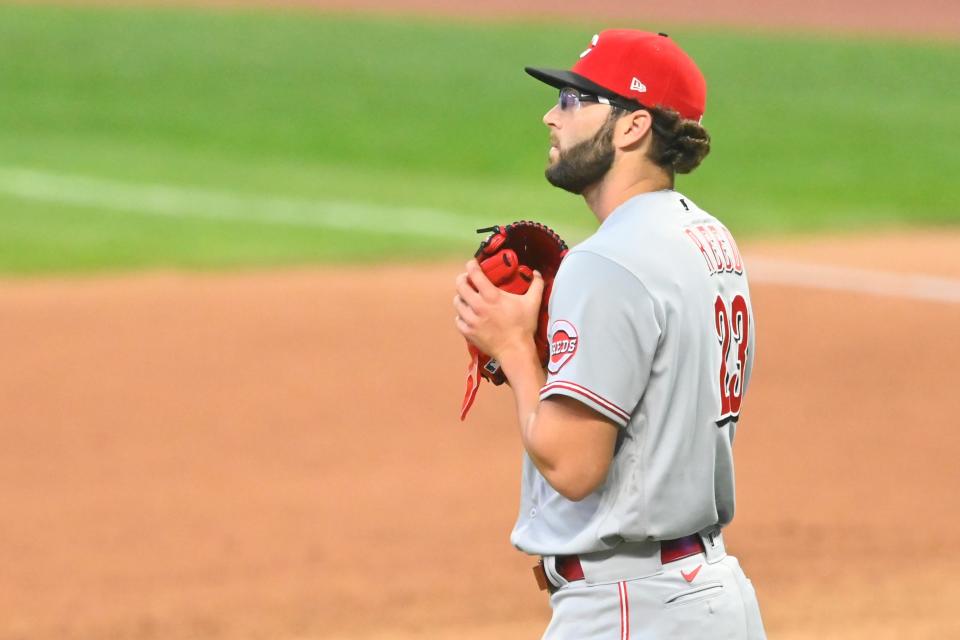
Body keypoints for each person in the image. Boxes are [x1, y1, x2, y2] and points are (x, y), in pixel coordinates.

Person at [453, 29, 766, 639]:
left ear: (632, 127)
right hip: (709, 594)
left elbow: (573, 467)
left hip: (632, 610)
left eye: (574, 100)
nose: (552, 116)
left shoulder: (609, 261)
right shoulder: (711, 240)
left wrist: (515, 348)